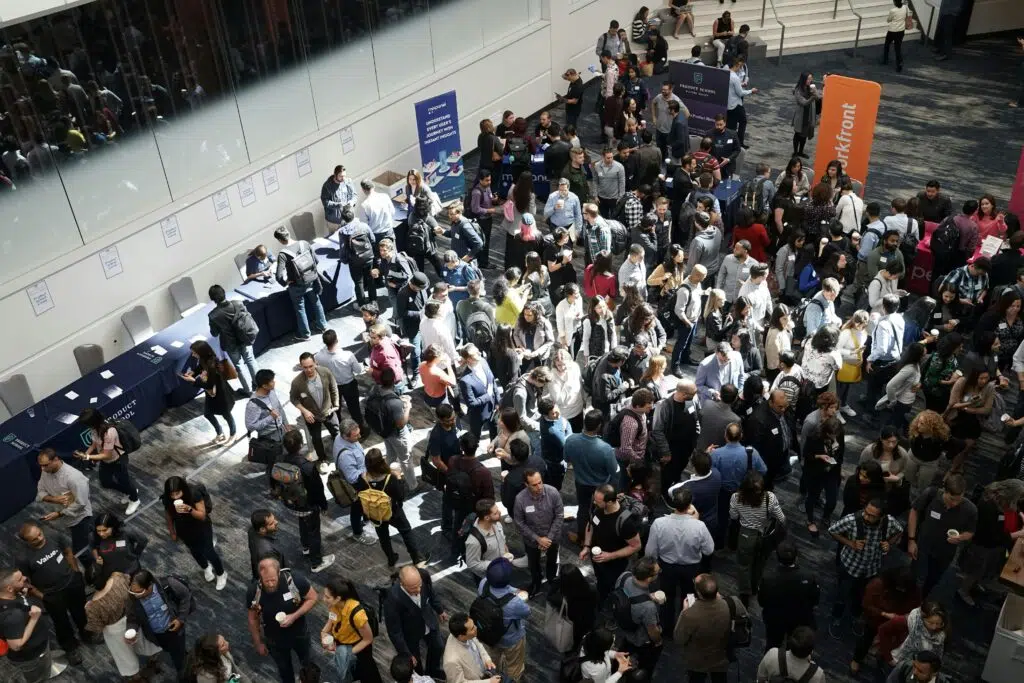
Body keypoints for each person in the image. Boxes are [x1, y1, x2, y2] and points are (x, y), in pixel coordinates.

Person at [14, 523, 91, 664]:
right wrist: (43, 597)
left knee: (81, 611)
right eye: (35, 538)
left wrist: (76, 573)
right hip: (52, 594)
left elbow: (68, 552)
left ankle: (87, 633)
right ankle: (70, 648)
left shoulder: (53, 535)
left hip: (72, 583)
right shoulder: (23, 558)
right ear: (27, 542)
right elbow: (25, 582)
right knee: (61, 622)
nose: (40, 538)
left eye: (39, 533)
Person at [827, 498, 905, 638]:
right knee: (842, 595)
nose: (866, 517)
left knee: (862, 596)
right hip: (850, 566)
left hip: (871, 569)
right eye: (866, 512)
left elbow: (899, 531)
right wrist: (850, 543)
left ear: (881, 517)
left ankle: (855, 616)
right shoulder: (852, 520)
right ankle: (836, 618)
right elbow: (832, 531)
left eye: (872, 516)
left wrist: (889, 543)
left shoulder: (889, 522)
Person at [646, 488, 714, 636]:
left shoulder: (658, 523)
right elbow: (709, 550)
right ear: (690, 505)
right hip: (691, 568)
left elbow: (650, 552)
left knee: (666, 599)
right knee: (689, 598)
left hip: (667, 568)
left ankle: (667, 629)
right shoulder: (699, 526)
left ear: (673, 504)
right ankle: (685, 628)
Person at [246, 557, 318, 683]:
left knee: (308, 665)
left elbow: (313, 597)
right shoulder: (254, 591)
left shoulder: (294, 580)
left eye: (273, 580)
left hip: (300, 634)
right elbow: (253, 618)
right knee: (284, 671)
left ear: (279, 572)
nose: (270, 584)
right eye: (266, 581)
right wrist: (258, 643)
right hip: (275, 641)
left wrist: (294, 616)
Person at [908, 473, 977, 597]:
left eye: (959, 499)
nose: (955, 503)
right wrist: (911, 540)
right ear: (944, 491)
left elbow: (970, 532)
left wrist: (960, 538)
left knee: (932, 581)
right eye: (951, 499)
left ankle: (921, 600)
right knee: (914, 577)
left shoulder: (970, 510)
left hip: (945, 553)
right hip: (922, 546)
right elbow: (914, 511)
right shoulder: (931, 494)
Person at [958, 479, 1024, 605]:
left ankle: (975, 583)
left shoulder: (999, 498)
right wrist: (1018, 534)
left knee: (984, 569)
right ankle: (964, 590)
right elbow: (994, 535)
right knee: (975, 570)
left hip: (991, 546)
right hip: (982, 544)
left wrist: (1019, 514)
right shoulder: (989, 507)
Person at [361, 449, 429, 567]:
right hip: (393, 511)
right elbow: (400, 496)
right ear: (381, 462)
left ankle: (391, 559)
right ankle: (417, 559)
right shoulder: (389, 478)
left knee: (383, 537)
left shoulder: (363, 478)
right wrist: (398, 478)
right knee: (406, 531)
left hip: (375, 513)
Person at [675, 573, 746, 683]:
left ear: (698, 592)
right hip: (722, 655)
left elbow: (679, 639)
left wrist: (684, 611)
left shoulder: (689, 614)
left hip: (698, 659)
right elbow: (744, 620)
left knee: (696, 679)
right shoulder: (733, 603)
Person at [160, 476, 227, 590]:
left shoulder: (194, 493)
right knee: (195, 551)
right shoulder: (167, 498)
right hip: (183, 528)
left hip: (201, 526)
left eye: (178, 493)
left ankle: (221, 573)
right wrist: (172, 531)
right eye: (172, 494)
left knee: (209, 552)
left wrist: (189, 509)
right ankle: (206, 567)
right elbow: (168, 516)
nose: (175, 497)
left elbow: (202, 516)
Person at [852, 566, 922, 673]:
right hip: (876, 620)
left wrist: (906, 617)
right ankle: (857, 659)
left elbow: (915, 607)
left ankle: (882, 660)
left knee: (891, 646)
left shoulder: (913, 590)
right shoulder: (877, 585)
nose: (901, 590)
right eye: (898, 587)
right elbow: (867, 604)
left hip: (898, 624)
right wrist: (884, 614)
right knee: (866, 639)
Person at [730, 470, 785, 604]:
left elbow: (733, 516)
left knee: (743, 565)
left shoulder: (736, 497)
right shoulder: (770, 498)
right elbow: (781, 518)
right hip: (763, 535)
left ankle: (744, 593)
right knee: (759, 564)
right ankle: (755, 587)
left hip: (745, 535)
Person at [579, 484, 643, 600]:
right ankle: (602, 592)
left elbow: (636, 546)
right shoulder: (598, 508)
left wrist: (610, 556)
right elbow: (591, 525)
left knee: (611, 584)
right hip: (597, 557)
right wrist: (587, 546)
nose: (594, 503)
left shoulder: (625, 522)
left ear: (609, 502)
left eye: (597, 501)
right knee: (600, 580)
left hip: (614, 564)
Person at [124, 568, 192, 675]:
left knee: (180, 660)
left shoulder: (169, 584)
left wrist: (180, 619)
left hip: (174, 630)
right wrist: (131, 630)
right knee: (169, 649)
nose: (135, 595)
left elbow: (186, 596)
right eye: (132, 591)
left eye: (139, 592)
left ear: (150, 585)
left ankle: (184, 674)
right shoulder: (132, 597)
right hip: (155, 635)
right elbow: (132, 618)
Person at [74, 408, 140, 516]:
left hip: (118, 460)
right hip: (106, 461)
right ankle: (130, 491)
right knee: (105, 482)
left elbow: (106, 454)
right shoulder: (94, 429)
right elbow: (94, 444)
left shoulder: (109, 433)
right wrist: (85, 454)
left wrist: (87, 457)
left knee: (124, 481)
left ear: (93, 422)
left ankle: (135, 499)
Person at [0, 567, 60, 682]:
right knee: (38, 678)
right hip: (32, 657)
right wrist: (34, 619)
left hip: (38, 643)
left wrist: (22, 595)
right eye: (20, 579)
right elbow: (16, 646)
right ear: (9, 588)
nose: (25, 578)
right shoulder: (12, 615)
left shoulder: (9, 594)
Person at [758, 543, 820, 651]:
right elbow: (815, 600)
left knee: (772, 645)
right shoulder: (808, 577)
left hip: (775, 619)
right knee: (794, 646)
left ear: (777, 558)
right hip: (799, 619)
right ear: (796, 558)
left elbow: (762, 601)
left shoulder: (768, 579)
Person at [319, 578, 382, 683]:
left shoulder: (357, 615)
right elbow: (332, 620)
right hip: (342, 645)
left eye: (327, 597)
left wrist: (348, 654)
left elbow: (368, 639)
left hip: (358, 650)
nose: (323, 599)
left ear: (338, 598)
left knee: (367, 675)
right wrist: (324, 633)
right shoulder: (333, 606)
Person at [475, 559, 529, 681]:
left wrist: (513, 591)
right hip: (511, 640)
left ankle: (493, 677)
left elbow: (502, 589)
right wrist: (518, 593)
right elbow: (527, 612)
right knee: (514, 666)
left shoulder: (483, 583)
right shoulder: (515, 603)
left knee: (492, 661)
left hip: (487, 634)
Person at [35, 449, 93, 563]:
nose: (42, 469)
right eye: (41, 466)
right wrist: (54, 499)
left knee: (80, 552)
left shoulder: (74, 478)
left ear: (56, 459)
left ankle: (93, 570)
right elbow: (40, 493)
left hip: (79, 518)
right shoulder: (46, 471)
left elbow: (81, 503)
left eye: (45, 465)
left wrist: (59, 514)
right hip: (65, 517)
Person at [512, 470, 562, 597]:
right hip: (531, 540)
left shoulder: (553, 492)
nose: (539, 487)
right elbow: (519, 523)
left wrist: (548, 538)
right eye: (534, 484)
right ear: (526, 484)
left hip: (553, 537)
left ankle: (552, 580)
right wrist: (538, 539)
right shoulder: (520, 499)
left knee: (552, 560)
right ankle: (536, 582)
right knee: (533, 563)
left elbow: (559, 516)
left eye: (540, 482)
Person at [274, 226, 328, 341]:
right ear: (289, 233)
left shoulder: (283, 254)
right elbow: (316, 261)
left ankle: (305, 334)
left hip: (296, 285)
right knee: (316, 302)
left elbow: (278, 276)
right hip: (311, 279)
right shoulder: (304, 243)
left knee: (300, 309)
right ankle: (323, 326)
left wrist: (285, 282)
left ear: (279, 240)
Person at [289, 352, 340, 473]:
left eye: (311, 366)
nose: (309, 369)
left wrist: (336, 404)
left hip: (328, 411)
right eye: (305, 367)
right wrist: (305, 411)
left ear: (315, 363)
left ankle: (341, 452)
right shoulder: (297, 382)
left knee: (337, 432)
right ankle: (322, 460)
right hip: (312, 416)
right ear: (301, 366)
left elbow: (333, 387)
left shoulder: (325, 372)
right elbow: (293, 398)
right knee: (316, 439)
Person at [612, 557, 663, 672]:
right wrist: (658, 641)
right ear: (649, 578)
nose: (659, 573)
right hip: (639, 638)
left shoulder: (624, 576)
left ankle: (616, 665)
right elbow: (652, 631)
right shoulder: (648, 607)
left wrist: (648, 596)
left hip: (623, 624)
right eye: (658, 572)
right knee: (646, 659)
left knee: (625, 647)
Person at [207, 284, 259, 396]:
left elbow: (214, 333)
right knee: (250, 360)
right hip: (245, 338)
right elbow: (247, 316)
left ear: (212, 299)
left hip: (231, 344)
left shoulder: (213, 315)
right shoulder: (238, 303)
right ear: (224, 292)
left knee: (239, 366)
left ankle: (248, 390)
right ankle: (259, 384)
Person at [183, 340, 236, 443]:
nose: (193, 355)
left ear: (201, 352)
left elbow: (209, 385)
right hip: (211, 394)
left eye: (194, 352)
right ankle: (220, 433)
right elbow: (200, 367)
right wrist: (193, 373)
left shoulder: (212, 365)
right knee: (208, 413)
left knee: (226, 414)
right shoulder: (204, 359)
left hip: (220, 394)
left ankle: (233, 433)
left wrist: (193, 380)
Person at [315, 329, 367, 433]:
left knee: (336, 410)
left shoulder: (319, 356)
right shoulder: (347, 355)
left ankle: (339, 431)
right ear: (336, 340)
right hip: (349, 385)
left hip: (332, 387)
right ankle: (361, 430)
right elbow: (358, 370)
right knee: (354, 409)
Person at [91, 512, 148, 586]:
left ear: (113, 527)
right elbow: (93, 547)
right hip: (111, 574)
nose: (101, 534)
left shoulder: (126, 532)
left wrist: (136, 554)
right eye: (98, 530)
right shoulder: (94, 536)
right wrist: (96, 558)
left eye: (105, 530)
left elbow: (143, 540)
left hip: (130, 570)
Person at [443, 612, 498, 683]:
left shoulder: (460, 632)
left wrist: (487, 659)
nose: (476, 627)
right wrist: (489, 682)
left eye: (473, 624)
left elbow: (478, 644)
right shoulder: (451, 661)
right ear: (461, 636)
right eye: (472, 628)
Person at [889, 602, 949, 667]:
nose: (934, 627)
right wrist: (889, 659)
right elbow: (883, 631)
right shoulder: (911, 622)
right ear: (923, 618)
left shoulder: (940, 637)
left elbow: (936, 660)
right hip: (894, 661)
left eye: (938, 624)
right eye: (930, 623)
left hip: (914, 670)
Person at [756, 627, 824, 683]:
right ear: (811, 651)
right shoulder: (817, 674)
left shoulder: (772, 654)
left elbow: (760, 678)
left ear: (790, 642)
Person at [791, 72, 822, 159]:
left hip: (809, 114)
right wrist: (812, 97)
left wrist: (815, 93)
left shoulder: (811, 87)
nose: (810, 80)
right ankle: (795, 152)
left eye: (811, 78)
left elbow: (818, 98)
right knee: (798, 133)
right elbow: (803, 102)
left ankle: (801, 151)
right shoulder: (798, 89)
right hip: (801, 115)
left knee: (804, 134)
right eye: (808, 78)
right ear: (804, 79)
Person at [322, 164, 357, 230]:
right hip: (334, 221)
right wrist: (338, 205)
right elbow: (325, 202)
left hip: (347, 219)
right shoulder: (327, 186)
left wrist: (352, 202)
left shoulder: (348, 181)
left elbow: (354, 195)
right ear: (335, 175)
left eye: (344, 176)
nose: (343, 178)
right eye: (340, 176)